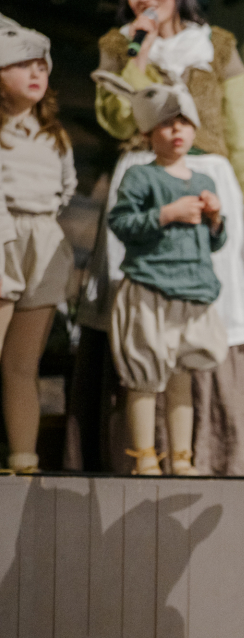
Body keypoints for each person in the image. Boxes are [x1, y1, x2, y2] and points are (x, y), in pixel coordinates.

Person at [73, 0, 244, 475]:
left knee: (203, 321)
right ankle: (141, 454)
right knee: (143, 324)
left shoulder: (218, 44)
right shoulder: (117, 44)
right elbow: (117, 118)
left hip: (209, 178)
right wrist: (137, 53)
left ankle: (204, 455)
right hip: (145, 172)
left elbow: (242, 133)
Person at [93, 71, 228, 476]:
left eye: (184, 123)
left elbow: (214, 243)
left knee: (182, 373)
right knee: (145, 373)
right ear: (148, 131)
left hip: (192, 290)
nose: (177, 131)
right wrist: (166, 214)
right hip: (150, 286)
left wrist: (216, 219)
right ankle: (145, 457)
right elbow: (121, 222)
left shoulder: (204, 179)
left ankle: (182, 458)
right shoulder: (141, 175)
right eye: (168, 124)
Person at [0, 14, 76, 473]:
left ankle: (23, 461)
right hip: (3, 239)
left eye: (42, 66)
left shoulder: (53, 134)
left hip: (41, 241)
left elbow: (66, 188)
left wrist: (40, 225)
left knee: (22, 364)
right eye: (22, 63)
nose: (35, 73)